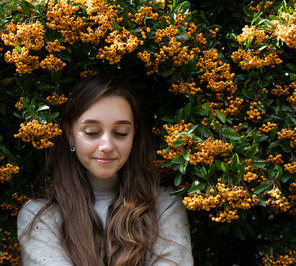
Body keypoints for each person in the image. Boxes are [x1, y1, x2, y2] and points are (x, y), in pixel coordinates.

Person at [17, 77, 193, 265]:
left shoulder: (164, 207)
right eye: (92, 132)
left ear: (134, 134)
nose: (107, 146)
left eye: (120, 133)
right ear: (69, 135)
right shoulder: (40, 217)